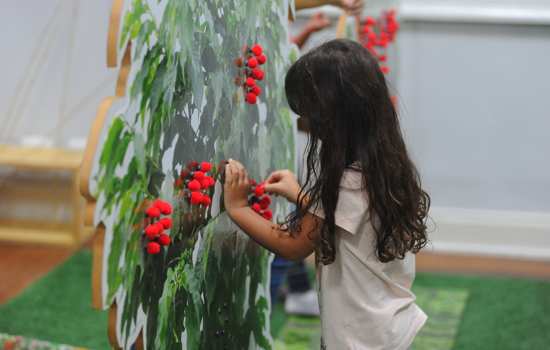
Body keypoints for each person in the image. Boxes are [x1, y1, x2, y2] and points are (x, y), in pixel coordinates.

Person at [224, 39, 430, 349]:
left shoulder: (349, 181)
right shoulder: (382, 165)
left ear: (335, 117)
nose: (305, 125)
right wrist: (302, 196)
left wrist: (238, 207)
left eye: (309, 115)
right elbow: (351, 226)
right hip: (387, 325)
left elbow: (293, 246)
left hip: (358, 337)